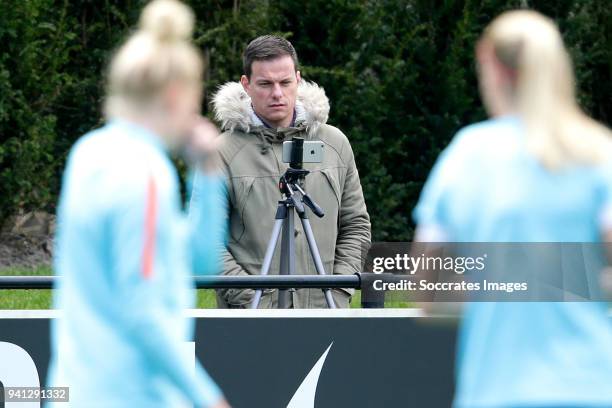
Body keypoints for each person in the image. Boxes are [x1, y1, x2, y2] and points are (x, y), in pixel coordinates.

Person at [413, 10, 612, 408]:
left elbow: (427, 288)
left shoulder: (467, 154)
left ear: (491, 64)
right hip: (594, 387)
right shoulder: (599, 151)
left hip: (497, 393)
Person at [47, 1, 230, 407]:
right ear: (174, 96)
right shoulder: (145, 173)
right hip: (130, 396)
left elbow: (199, 262)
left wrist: (208, 170)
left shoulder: (87, 154)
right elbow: (143, 312)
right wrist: (208, 396)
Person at [195, 35, 371, 308]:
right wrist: (255, 300)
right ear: (247, 84)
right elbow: (206, 241)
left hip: (325, 315)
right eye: (265, 84)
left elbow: (356, 225)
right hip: (249, 323)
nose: (277, 93)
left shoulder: (335, 143)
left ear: (298, 80)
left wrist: (335, 292)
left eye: (285, 82)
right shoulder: (220, 153)